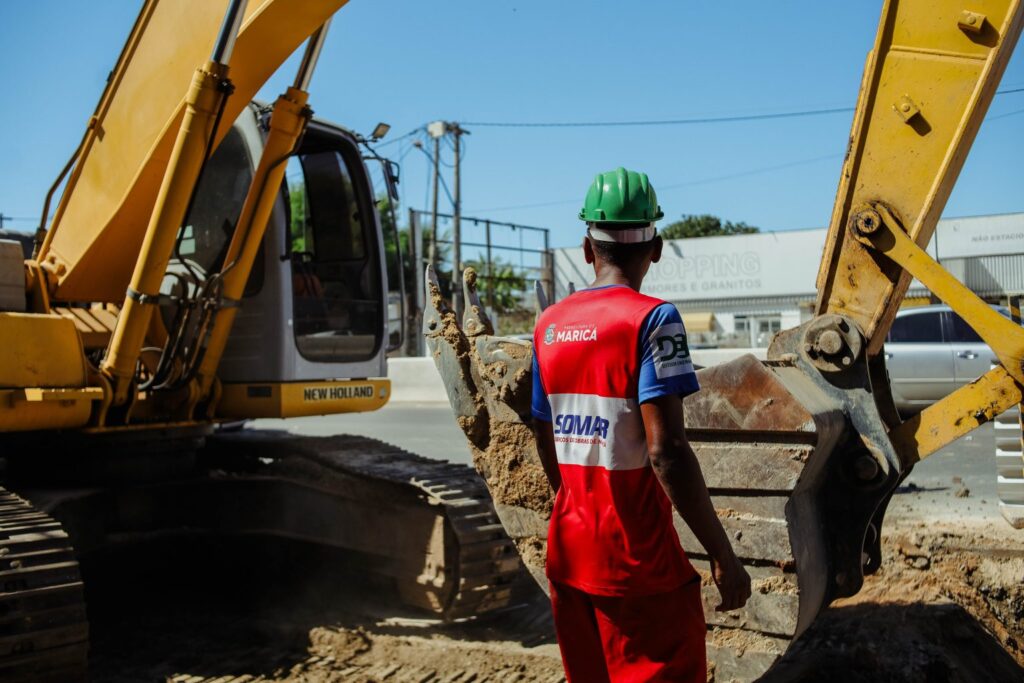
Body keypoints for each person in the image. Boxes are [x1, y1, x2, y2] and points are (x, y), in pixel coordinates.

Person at [531, 167, 752, 682]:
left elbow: (544, 437)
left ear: (588, 248)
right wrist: (723, 555)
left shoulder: (547, 325)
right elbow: (666, 451)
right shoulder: (655, 320)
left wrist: (577, 507)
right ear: (655, 248)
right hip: (639, 568)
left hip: (569, 557)